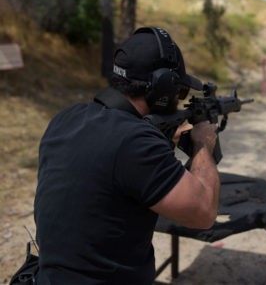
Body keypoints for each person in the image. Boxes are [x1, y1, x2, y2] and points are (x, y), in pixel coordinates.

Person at [34, 27, 220, 284]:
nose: (179, 100)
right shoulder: (135, 142)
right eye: (179, 92)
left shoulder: (66, 118)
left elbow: (108, 171)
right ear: (163, 87)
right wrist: (203, 143)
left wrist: (162, 143)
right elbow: (204, 213)